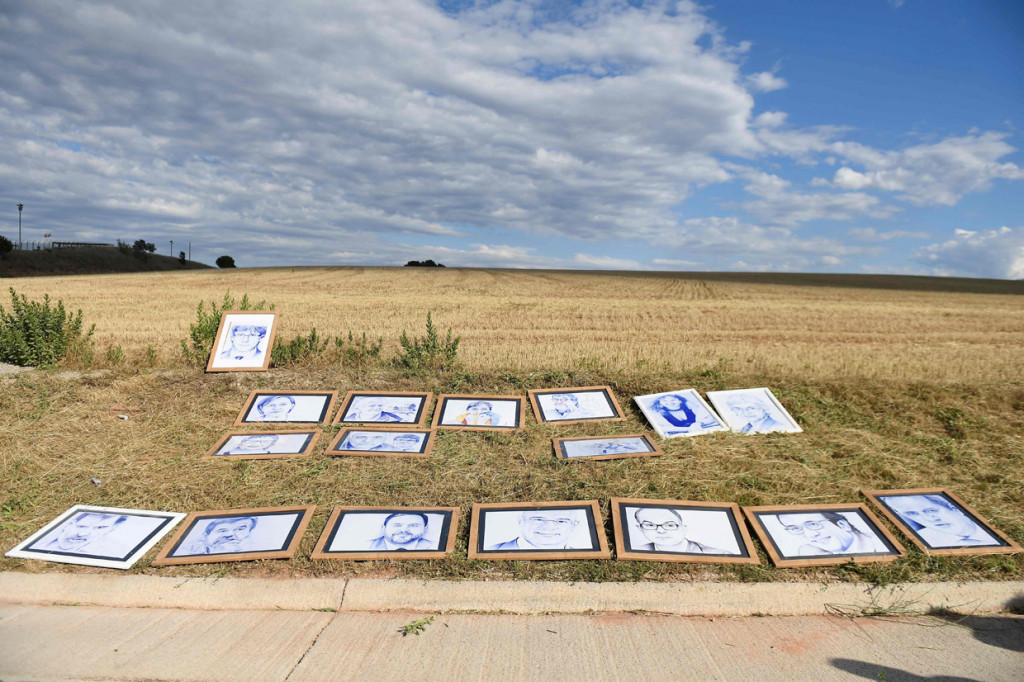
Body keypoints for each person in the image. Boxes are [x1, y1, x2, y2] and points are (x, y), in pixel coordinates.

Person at [885, 495, 999, 547]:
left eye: (931, 510)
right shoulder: (927, 539)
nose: (928, 519)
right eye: (913, 514)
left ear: (951, 506)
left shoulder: (991, 534)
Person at [776, 511, 888, 556]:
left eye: (813, 524)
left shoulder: (879, 543)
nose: (809, 535)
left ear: (843, 525)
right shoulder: (810, 552)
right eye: (795, 528)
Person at [631, 507, 734, 554]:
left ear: (684, 528)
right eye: (650, 525)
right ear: (639, 528)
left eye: (670, 525)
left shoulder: (720, 554)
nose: (660, 530)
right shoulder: (636, 550)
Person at [487, 509, 584, 550]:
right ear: (520, 521)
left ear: (574, 526)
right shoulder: (492, 550)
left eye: (561, 521)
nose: (549, 527)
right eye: (538, 519)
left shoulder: (582, 557)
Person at [36, 511, 128, 554]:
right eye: (81, 526)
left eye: (99, 528)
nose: (83, 534)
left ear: (109, 530)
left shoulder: (111, 552)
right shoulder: (40, 543)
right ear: (69, 524)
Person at [185, 516, 258, 554]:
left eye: (240, 529)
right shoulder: (188, 550)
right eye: (222, 530)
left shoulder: (253, 547)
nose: (230, 534)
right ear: (205, 535)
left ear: (249, 532)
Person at [367, 513, 435, 550]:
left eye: (413, 526)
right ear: (383, 528)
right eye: (397, 525)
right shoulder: (367, 545)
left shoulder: (433, 546)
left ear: (425, 529)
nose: (403, 530)